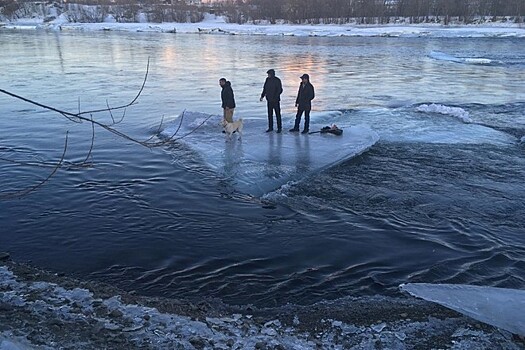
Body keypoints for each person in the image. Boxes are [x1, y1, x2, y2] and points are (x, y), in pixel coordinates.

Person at [260, 69, 283, 133]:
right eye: (268, 74)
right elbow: (265, 88)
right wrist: (262, 96)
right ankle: (270, 127)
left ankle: (279, 128)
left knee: (277, 114)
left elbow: (280, 90)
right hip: (269, 100)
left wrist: (275, 97)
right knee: (270, 114)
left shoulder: (277, 80)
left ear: (272, 74)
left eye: (269, 74)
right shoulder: (267, 80)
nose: (268, 75)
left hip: (276, 100)